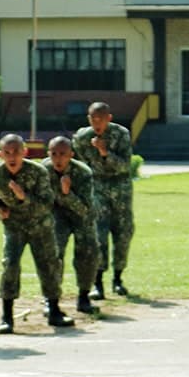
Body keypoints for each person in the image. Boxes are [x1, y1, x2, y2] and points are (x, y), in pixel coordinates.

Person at [0, 134, 74, 333]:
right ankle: (7, 316)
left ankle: (54, 310)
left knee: (49, 266)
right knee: (10, 265)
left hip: (40, 226)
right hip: (14, 226)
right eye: (7, 153)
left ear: (25, 152)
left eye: (17, 152)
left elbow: (47, 204)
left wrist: (23, 197)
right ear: (0, 154)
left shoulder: (38, 172)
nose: (12, 157)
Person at [73, 102, 134, 299]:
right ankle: (97, 283)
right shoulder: (82, 138)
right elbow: (81, 167)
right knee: (99, 236)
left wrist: (105, 153)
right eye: (93, 118)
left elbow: (125, 166)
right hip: (97, 190)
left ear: (109, 118)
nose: (96, 123)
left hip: (121, 191)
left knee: (123, 234)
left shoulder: (121, 134)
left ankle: (118, 279)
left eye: (101, 118)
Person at [42, 136, 99, 315]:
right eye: (54, 154)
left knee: (87, 253)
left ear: (71, 155)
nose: (58, 158)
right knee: (54, 254)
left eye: (63, 154)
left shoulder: (83, 172)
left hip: (82, 215)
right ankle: (51, 298)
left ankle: (84, 296)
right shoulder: (42, 170)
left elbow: (84, 208)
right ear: (48, 154)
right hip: (56, 214)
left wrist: (67, 193)